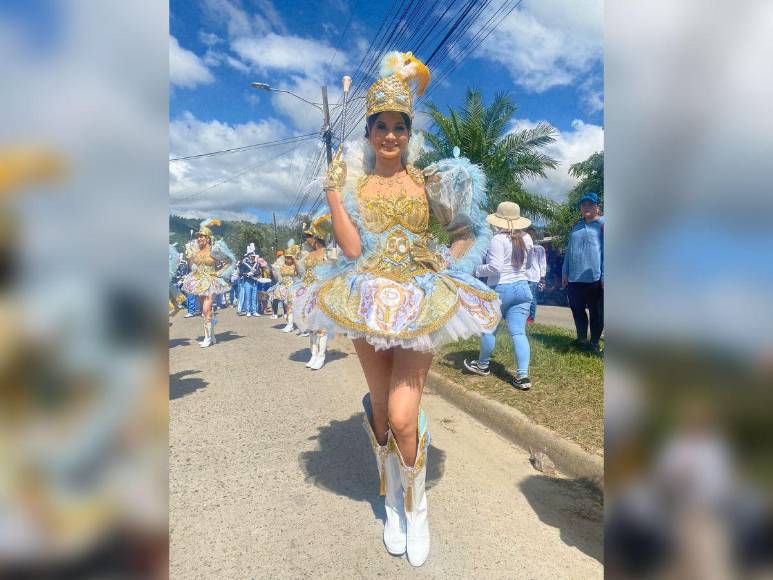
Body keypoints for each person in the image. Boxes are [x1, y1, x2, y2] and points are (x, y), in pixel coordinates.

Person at [292, 51, 499, 567]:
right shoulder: (357, 186)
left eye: (398, 127)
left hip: (419, 302)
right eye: (380, 126)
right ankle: (390, 501)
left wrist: (446, 267)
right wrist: (334, 194)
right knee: (383, 412)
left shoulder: (430, 180)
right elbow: (352, 249)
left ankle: (416, 508)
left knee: (405, 415)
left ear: (409, 132)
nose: (390, 135)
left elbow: (466, 231)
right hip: (366, 299)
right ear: (369, 133)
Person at [463, 202, 534, 390]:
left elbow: (495, 268)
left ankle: (483, 365)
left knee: (489, 330)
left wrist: (476, 270)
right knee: (519, 332)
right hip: (523, 288)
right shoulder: (527, 237)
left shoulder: (498, 239)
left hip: (501, 289)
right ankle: (522, 377)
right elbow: (529, 265)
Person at [180, 219, 235, 348]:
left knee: (206, 308)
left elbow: (229, 261)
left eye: (202, 236)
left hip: (211, 281)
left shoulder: (214, 251)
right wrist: (189, 258)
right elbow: (191, 266)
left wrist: (219, 272)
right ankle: (212, 336)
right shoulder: (196, 252)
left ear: (208, 238)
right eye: (198, 236)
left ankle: (208, 338)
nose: (199, 239)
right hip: (198, 281)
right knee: (204, 310)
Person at [561, 192, 604, 354]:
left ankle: (594, 342)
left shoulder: (603, 224)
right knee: (577, 310)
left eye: (590, 204)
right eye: (583, 204)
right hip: (574, 278)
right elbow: (569, 251)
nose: (586, 207)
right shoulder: (576, 227)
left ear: (597, 207)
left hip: (595, 278)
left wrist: (605, 276)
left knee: (597, 313)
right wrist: (564, 272)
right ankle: (582, 339)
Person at [292, 213, 333, 369]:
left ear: (315, 237)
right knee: (311, 325)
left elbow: (336, 271)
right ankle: (314, 354)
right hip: (308, 292)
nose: (306, 240)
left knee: (321, 325)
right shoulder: (308, 255)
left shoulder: (330, 252)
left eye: (308, 236)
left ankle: (321, 355)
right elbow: (301, 273)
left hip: (323, 291)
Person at [267, 242, 301, 332]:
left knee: (292, 307)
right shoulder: (282, 265)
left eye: (289, 257)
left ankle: (292, 325)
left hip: (293, 288)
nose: (287, 259)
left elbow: (300, 274)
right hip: (283, 288)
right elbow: (277, 276)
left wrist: (296, 262)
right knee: (287, 306)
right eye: (286, 257)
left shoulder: (295, 266)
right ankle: (290, 324)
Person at [525, 226, 547, 323]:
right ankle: (524, 316)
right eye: (528, 234)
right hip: (522, 277)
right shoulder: (523, 246)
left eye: (532, 234)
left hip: (533, 277)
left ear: (535, 236)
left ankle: (531, 318)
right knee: (523, 298)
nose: (530, 236)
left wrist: (543, 277)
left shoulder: (539, 248)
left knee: (532, 297)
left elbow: (543, 263)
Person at [270, 250, 285, 318]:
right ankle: (285, 314)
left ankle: (275, 314)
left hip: (276, 283)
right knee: (284, 299)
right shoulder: (285, 263)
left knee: (275, 299)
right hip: (283, 283)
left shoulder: (275, 264)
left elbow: (272, 275)